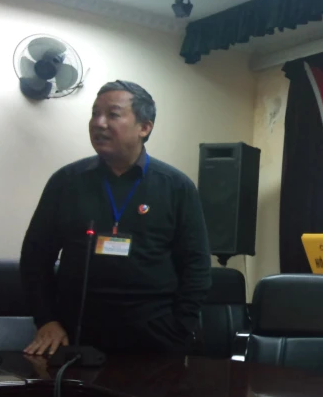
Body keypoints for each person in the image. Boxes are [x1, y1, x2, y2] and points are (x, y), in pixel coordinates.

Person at [20, 80, 211, 356]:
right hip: (74, 336)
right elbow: (35, 257)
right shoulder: (67, 182)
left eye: (113, 114)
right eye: (94, 113)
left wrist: (180, 328)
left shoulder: (176, 186)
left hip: (154, 339)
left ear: (144, 127)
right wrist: (46, 319)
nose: (99, 123)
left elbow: (197, 266)